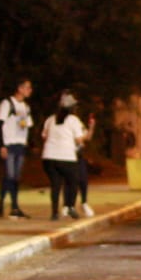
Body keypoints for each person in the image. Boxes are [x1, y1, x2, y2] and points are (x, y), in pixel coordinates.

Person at [40, 91, 86, 220]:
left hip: (49, 157)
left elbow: (44, 136)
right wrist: (80, 147)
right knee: (73, 181)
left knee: (55, 184)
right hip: (66, 157)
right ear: (72, 108)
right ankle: (70, 206)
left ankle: (54, 212)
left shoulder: (50, 119)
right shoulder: (73, 120)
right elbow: (79, 140)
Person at [0, 78, 33, 218]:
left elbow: (28, 125)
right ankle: (7, 205)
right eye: (27, 87)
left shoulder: (26, 107)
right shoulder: (7, 103)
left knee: (15, 177)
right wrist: (2, 145)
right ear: (20, 88)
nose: (29, 91)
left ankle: (12, 205)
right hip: (9, 144)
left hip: (20, 144)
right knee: (9, 175)